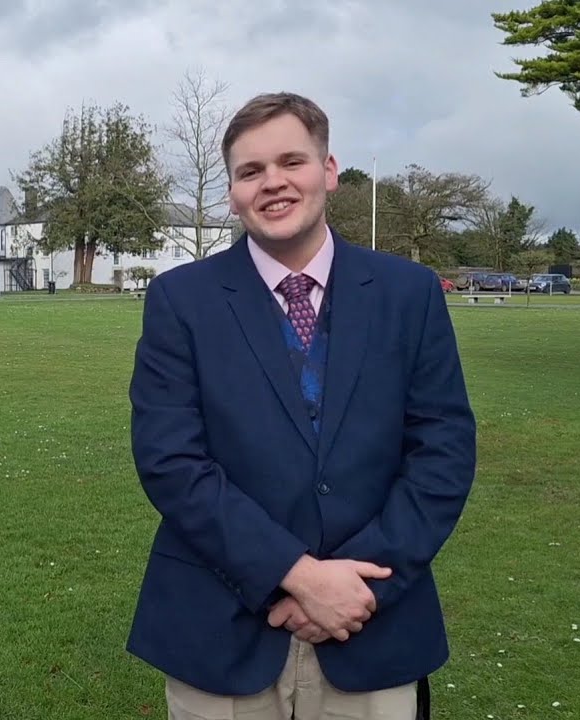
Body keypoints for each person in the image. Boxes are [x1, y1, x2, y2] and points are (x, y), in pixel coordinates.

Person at [127, 92, 476, 720]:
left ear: (330, 170)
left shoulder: (409, 293)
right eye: (250, 171)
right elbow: (171, 462)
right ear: (232, 190)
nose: (273, 183)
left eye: (292, 161)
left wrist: (357, 588)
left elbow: (442, 452)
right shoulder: (181, 300)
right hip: (222, 628)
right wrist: (297, 576)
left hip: (374, 628)